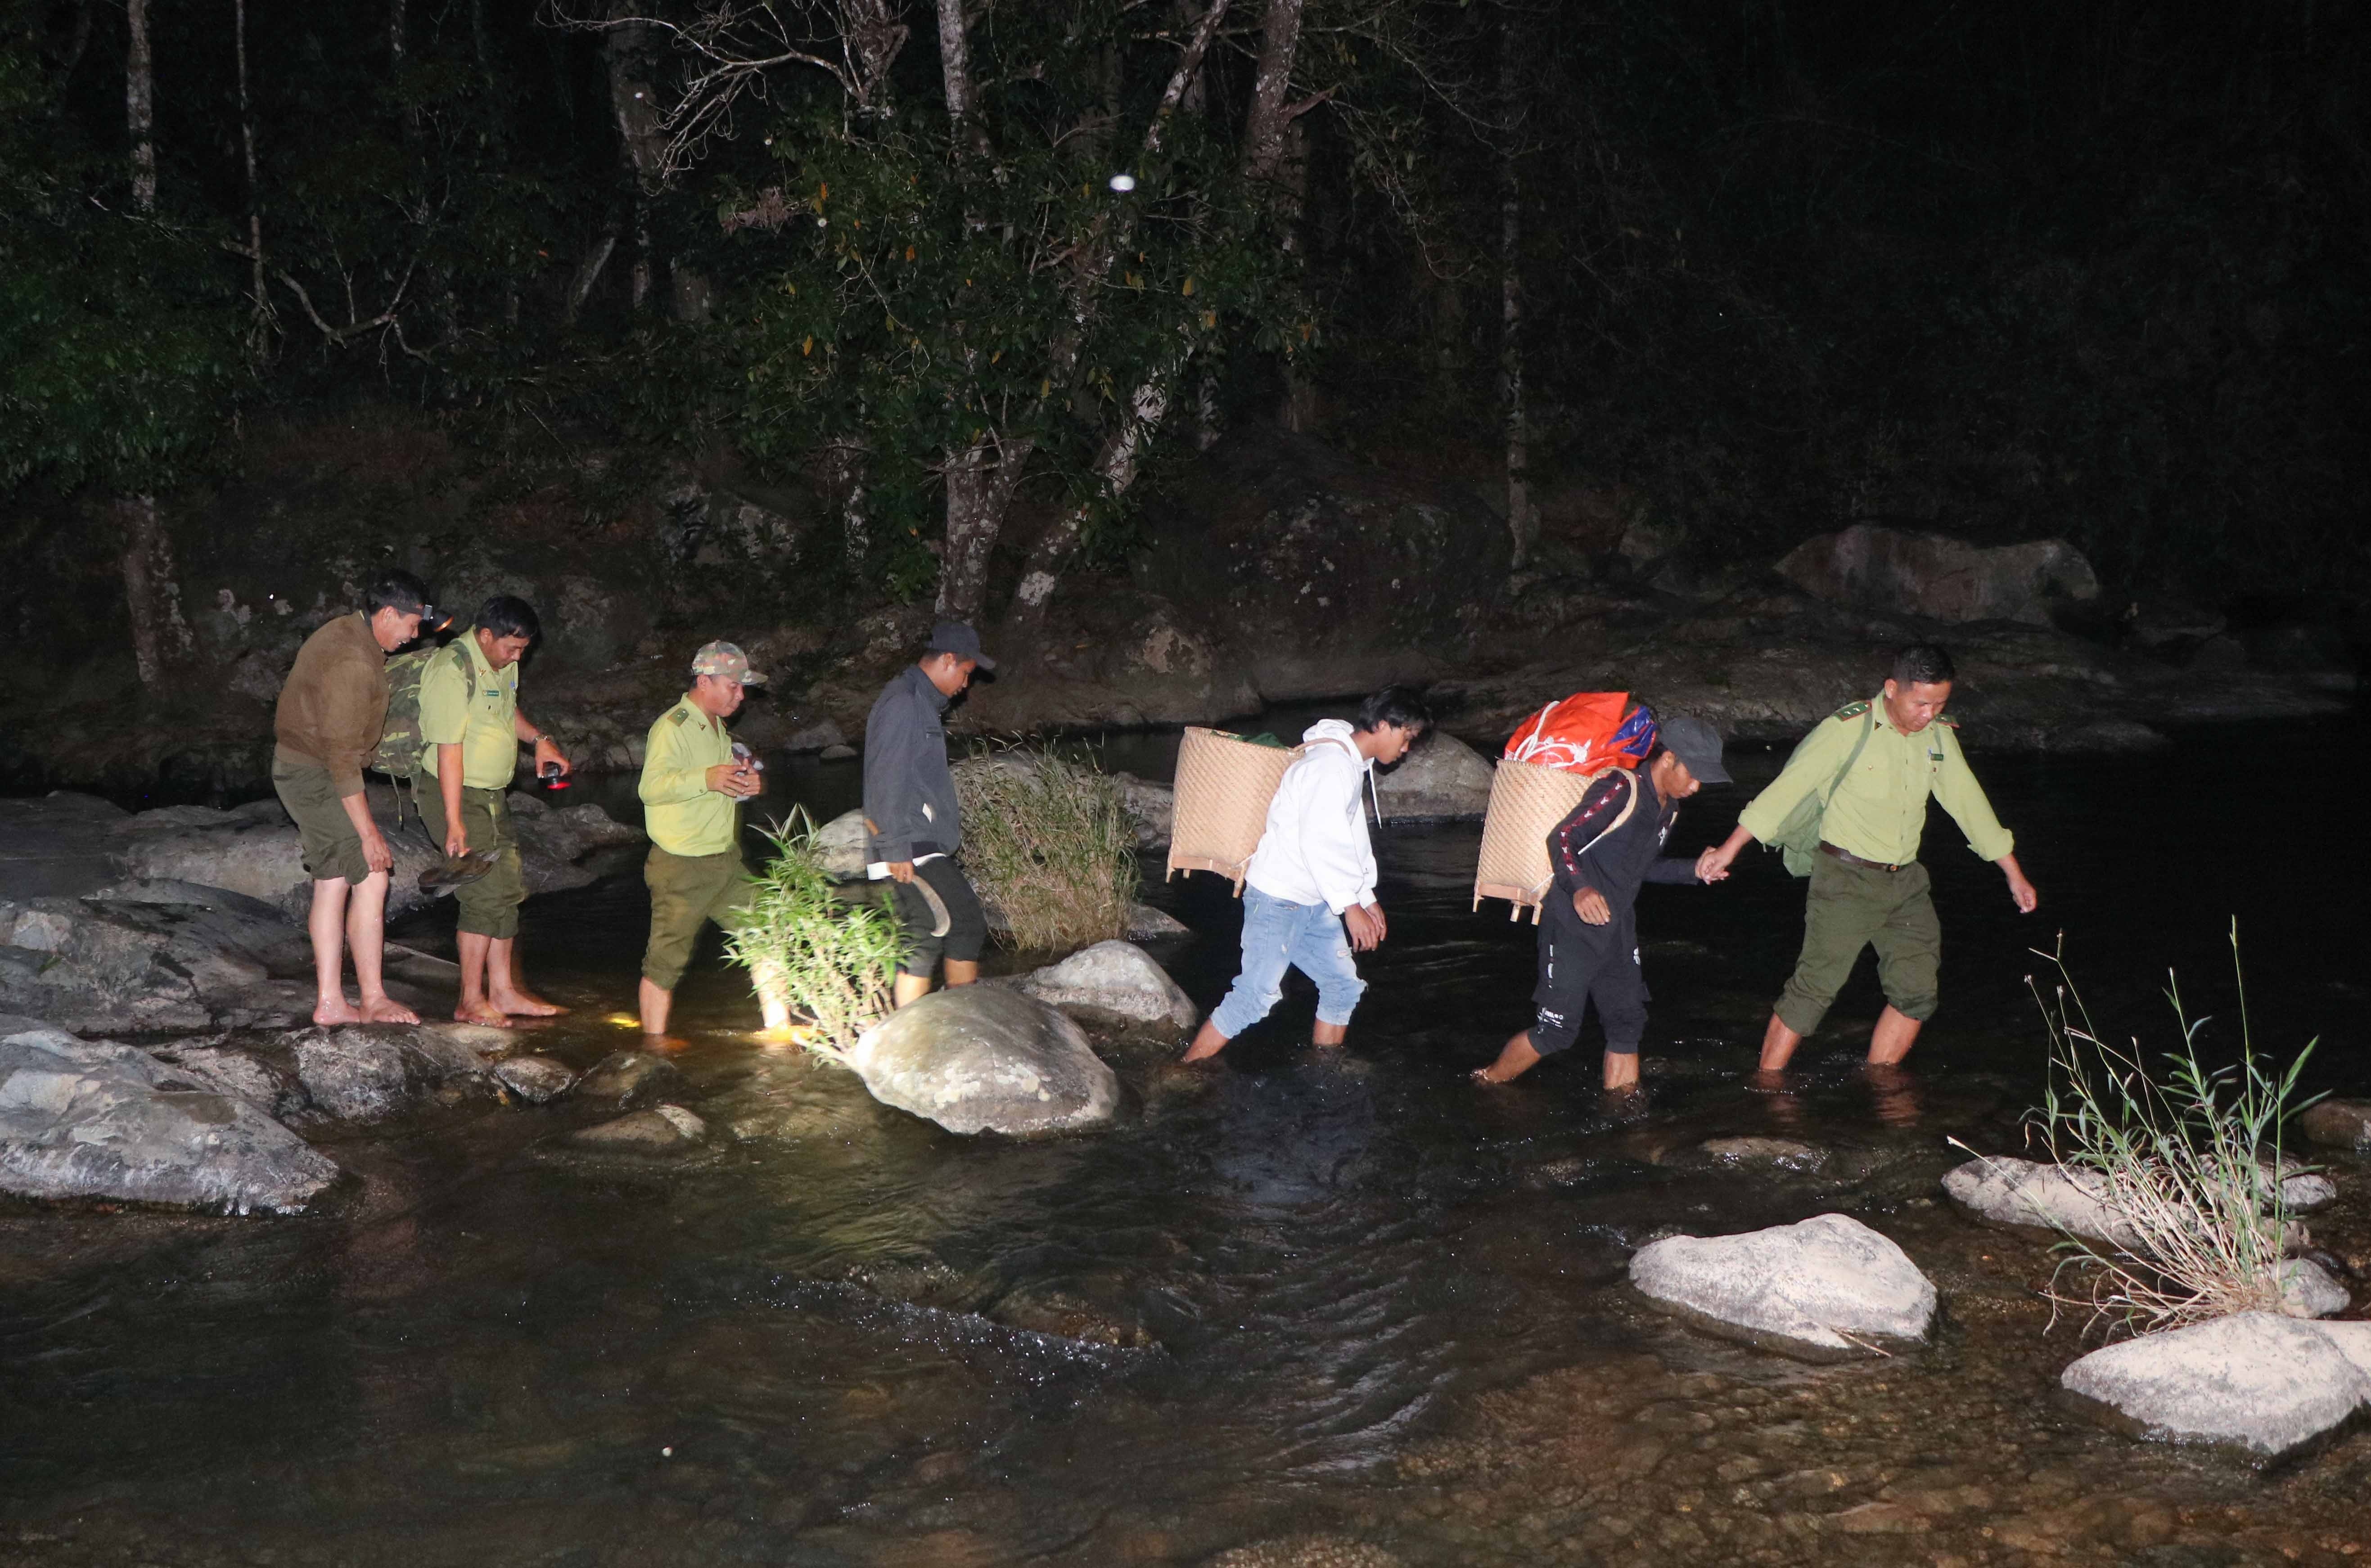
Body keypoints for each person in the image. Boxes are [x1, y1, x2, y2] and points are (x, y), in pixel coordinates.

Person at [1696, 643, 2039, 1075]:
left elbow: (1971, 805)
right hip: (1845, 878)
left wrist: (2014, 875)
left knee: (1917, 994)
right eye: (1921, 703)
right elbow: (1786, 791)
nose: (1929, 714)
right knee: (1816, 987)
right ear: (1892, 689)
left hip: (1907, 884)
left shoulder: (1938, 736)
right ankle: (1765, 1087)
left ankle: (1878, 1084)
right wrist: (1730, 848)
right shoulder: (1848, 729)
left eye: (1940, 704)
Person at [1474, 715, 1731, 1092]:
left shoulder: (1668, 810)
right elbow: (1562, 838)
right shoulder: (1620, 790)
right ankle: (1485, 1084)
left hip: (1617, 928)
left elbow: (1641, 868)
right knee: (1557, 1032)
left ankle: (1623, 1118)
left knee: (1628, 1024)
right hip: (1571, 924)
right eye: (1694, 775)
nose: (1697, 786)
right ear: (1668, 759)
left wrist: (1695, 869)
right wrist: (1580, 888)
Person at [1180, 687, 1432, 1063]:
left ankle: (1325, 1067)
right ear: (1383, 725)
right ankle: (1185, 1069)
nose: (1406, 749)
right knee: (1255, 996)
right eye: (1406, 737)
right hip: (1280, 900)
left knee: (1342, 986)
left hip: (1314, 900)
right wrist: (1351, 907)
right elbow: (1320, 842)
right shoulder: (1330, 768)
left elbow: (1349, 836)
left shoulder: (1349, 763)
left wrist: (1366, 896)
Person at [270, 569, 434, 1026]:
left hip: (303, 764)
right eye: (411, 624)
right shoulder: (354, 662)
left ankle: (331, 1002)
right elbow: (342, 759)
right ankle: (370, 998)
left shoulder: (350, 631)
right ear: (387, 614)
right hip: (314, 773)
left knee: (334, 881)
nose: (415, 634)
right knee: (372, 875)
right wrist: (369, 834)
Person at [416, 595, 572, 1025]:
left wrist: (540, 741)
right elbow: (449, 750)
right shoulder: (451, 670)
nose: (518, 657)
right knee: (482, 892)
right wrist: (453, 821)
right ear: (485, 636)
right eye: (512, 648)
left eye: (523, 650)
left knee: (507, 890)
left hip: (490, 793)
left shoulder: (502, 662)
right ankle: (470, 1000)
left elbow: (506, 712)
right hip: (456, 792)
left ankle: (502, 993)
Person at [863, 621, 995, 1008]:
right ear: (949, 660)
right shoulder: (904, 703)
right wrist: (894, 847)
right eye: (967, 674)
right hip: (908, 841)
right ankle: (953, 1023)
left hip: (915, 838)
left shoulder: (918, 702)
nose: (967, 686)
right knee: (963, 924)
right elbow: (885, 777)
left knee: (924, 933)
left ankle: (930, 1026)